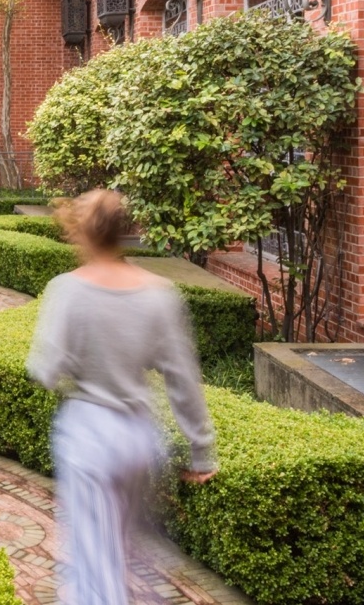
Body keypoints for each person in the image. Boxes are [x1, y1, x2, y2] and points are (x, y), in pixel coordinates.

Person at [27, 190, 217, 605]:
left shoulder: (68, 290)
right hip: (137, 437)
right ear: (125, 230)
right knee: (117, 548)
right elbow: (183, 377)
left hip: (89, 436)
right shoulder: (158, 292)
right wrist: (201, 451)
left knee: (95, 566)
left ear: (81, 232)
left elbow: (44, 369)